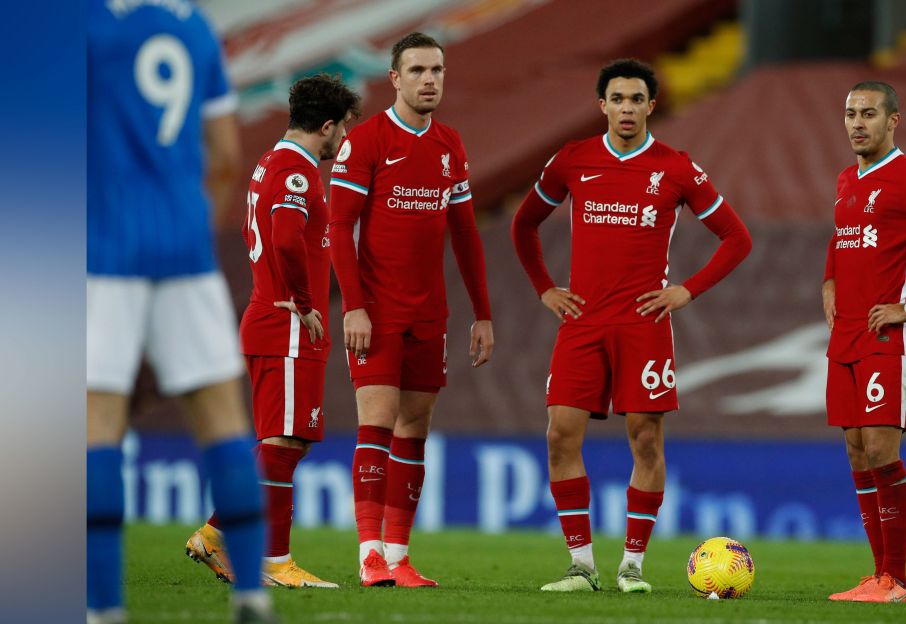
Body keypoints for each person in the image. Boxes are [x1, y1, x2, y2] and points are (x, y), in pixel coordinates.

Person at [511, 58, 753, 593]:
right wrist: (544, 288)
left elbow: (736, 239)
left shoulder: (676, 167)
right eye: (617, 99)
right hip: (582, 322)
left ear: (651, 105)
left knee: (645, 441)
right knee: (559, 436)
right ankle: (581, 567)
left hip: (643, 325)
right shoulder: (573, 160)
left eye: (636, 99)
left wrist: (686, 289)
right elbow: (524, 221)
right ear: (602, 105)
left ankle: (631, 568)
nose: (626, 108)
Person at [87, 1, 274, 622]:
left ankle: (104, 607)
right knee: (222, 420)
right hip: (185, 250)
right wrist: (192, 223)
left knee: (96, 428)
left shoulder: (75, 23)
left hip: (101, 250)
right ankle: (250, 594)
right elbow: (223, 154)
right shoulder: (193, 25)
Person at [328, 32, 495, 588]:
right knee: (376, 421)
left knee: (415, 430)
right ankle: (368, 553)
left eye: (438, 70)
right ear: (394, 78)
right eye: (419, 69)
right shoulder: (368, 140)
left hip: (431, 314)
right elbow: (338, 225)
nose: (430, 79)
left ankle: (399, 557)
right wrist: (353, 306)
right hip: (376, 311)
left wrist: (483, 313)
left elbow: (467, 236)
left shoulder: (451, 144)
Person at [185, 74, 361, 590]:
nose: (344, 140)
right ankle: (275, 561)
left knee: (289, 442)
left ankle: (216, 533)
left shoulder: (271, 162)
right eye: (343, 129)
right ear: (326, 126)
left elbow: (254, 233)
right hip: (284, 322)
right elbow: (284, 238)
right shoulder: (297, 172)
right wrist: (304, 304)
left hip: (273, 317)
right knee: (282, 440)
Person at [823, 81, 906, 603]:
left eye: (869, 114)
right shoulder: (845, 179)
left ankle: (896, 579)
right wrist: (829, 279)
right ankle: (878, 576)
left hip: (887, 334)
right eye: (850, 113)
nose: (857, 123)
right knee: (858, 453)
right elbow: (842, 236)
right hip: (846, 334)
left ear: (893, 120)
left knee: (881, 450)